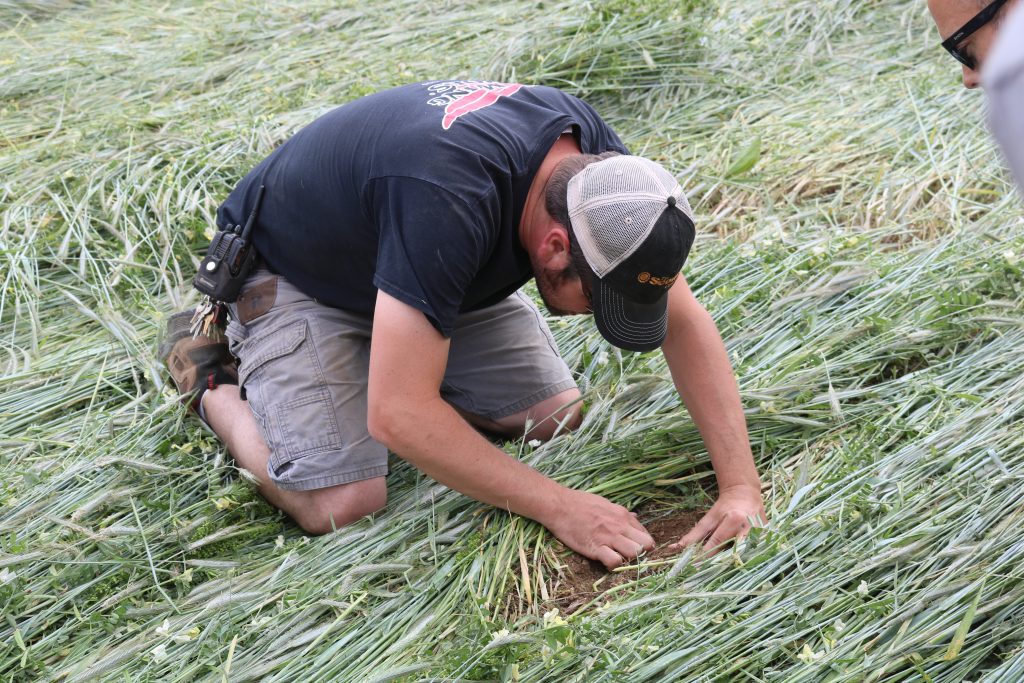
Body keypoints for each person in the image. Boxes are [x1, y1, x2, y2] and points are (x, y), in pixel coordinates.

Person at [163, 80, 765, 569]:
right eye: (596, 299)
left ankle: (396, 342)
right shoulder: (446, 198)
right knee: (344, 502)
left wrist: (741, 487)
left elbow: (685, 322)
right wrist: (560, 507)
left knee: (550, 417)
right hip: (300, 272)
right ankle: (208, 370)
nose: (594, 314)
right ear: (556, 247)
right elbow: (396, 414)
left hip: (413, 261)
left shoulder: (605, 183)